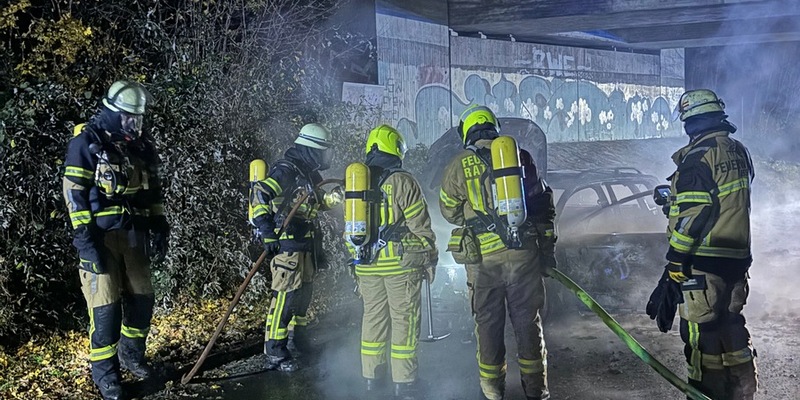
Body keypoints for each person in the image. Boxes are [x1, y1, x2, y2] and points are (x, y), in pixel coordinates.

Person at [439, 105, 555, 400]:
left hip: (483, 263)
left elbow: (449, 211)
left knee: (488, 328)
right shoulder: (521, 157)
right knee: (528, 325)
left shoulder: (457, 165)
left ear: (466, 132)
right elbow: (542, 206)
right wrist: (547, 253)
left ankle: (492, 393)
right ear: (494, 127)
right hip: (523, 256)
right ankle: (536, 391)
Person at [63, 80, 169, 400]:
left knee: (142, 299)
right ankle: (106, 375)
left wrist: (159, 225)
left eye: (137, 118)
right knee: (106, 309)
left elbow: (151, 192)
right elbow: (74, 196)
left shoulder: (139, 145)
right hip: (100, 238)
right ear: (112, 113)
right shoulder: (86, 143)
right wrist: (86, 244)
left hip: (133, 235)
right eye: (127, 117)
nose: (133, 124)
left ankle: (132, 357)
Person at [663, 89, 757, 399]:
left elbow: (695, 213)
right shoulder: (738, 150)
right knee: (731, 327)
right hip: (737, 258)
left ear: (692, 122)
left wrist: (676, 259)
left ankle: (705, 393)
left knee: (699, 333)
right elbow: (726, 200)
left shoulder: (698, 157)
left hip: (702, 260)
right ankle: (741, 391)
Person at [346, 124, 437, 400]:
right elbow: (420, 226)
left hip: (365, 266)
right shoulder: (403, 181)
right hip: (400, 267)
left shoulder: (356, 181)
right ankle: (405, 383)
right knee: (404, 322)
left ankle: (373, 379)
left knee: (373, 320)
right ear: (396, 149)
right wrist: (430, 258)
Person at [250, 123, 342, 372]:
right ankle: (275, 350)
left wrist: (337, 196)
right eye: (324, 151)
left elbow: (319, 203)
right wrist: (267, 233)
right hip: (287, 244)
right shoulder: (287, 170)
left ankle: (297, 339)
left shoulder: (310, 174)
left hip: (306, 244)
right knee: (286, 297)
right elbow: (259, 194)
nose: (327, 156)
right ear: (312, 150)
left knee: (303, 295)